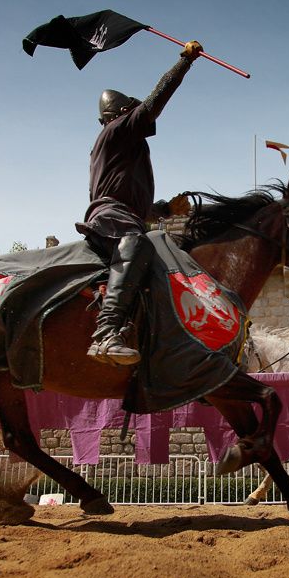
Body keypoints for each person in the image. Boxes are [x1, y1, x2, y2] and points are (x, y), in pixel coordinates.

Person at [75, 40, 204, 366]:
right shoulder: (117, 130)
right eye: (131, 112)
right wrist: (184, 62)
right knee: (139, 245)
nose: (138, 117)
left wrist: (164, 210)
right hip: (113, 220)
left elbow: (131, 202)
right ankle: (105, 334)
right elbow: (152, 105)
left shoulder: (119, 148)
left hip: (123, 214)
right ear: (120, 114)